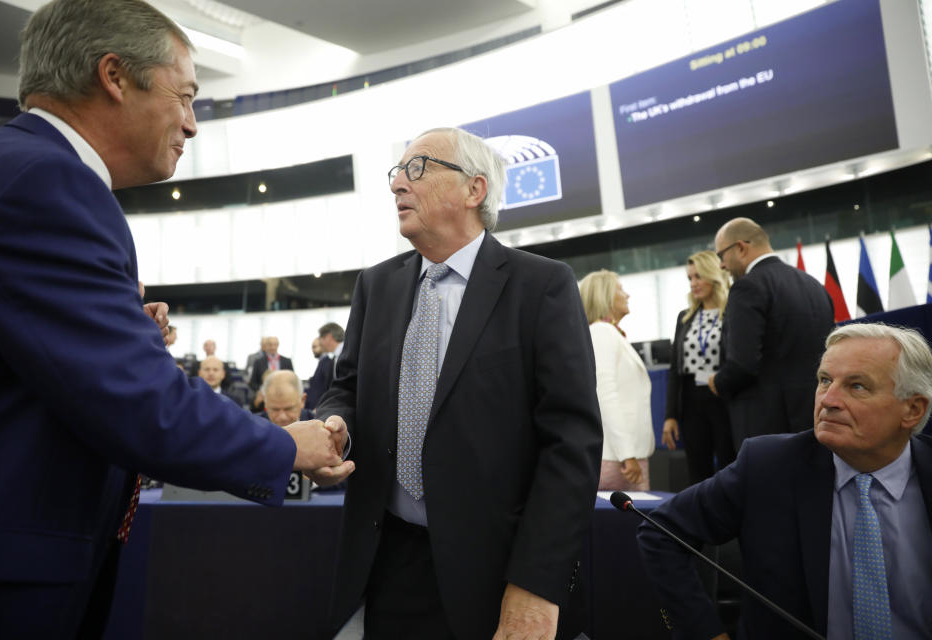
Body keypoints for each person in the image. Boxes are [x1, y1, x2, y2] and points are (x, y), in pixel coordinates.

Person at [0, 1, 346, 637]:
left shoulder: (12, 170)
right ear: (114, 76)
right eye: (187, 96)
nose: (194, 125)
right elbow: (138, 402)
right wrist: (284, 444)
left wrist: (120, 331)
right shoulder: (47, 183)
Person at [313, 127, 602, 640]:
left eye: (418, 168)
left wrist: (537, 583)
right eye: (396, 172)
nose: (398, 184)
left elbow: (571, 445)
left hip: (498, 574)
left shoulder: (541, 286)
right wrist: (336, 425)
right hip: (385, 564)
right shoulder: (375, 285)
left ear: (475, 190)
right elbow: (348, 389)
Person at [637, 323, 932, 639]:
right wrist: (704, 633)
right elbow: (660, 533)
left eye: (857, 386)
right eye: (825, 380)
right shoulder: (767, 466)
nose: (828, 400)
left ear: (912, 410)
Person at [710, 217, 833, 449]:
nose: (722, 266)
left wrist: (718, 381)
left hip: (767, 429)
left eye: (721, 256)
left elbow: (742, 365)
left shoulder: (747, 287)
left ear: (740, 247)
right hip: (816, 419)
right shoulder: (814, 285)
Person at [662, 251, 735, 485]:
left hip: (723, 398)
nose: (693, 284)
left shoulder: (732, 312)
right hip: (692, 402)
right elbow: (675, 370)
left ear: (714, 276)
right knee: (697, 473)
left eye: (698, 277)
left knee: (729, 467)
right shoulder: (685, 317)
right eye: (690, 278)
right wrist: (670, 415)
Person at [579, 269, 655, 491]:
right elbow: (605, 395)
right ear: (604, 296)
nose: (627, 295)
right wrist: (627, 454)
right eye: (620, 289)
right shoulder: (601, 332)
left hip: (626, 455)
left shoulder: (611, 333)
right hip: (619, 458)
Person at [306, 322, 344, 411]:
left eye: (320, 338)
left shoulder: (347, 354)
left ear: (328, 337)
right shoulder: (335, 358)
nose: (320, 342)